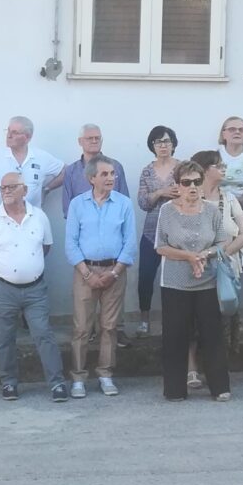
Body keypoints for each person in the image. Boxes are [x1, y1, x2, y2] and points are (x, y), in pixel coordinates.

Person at [0, 172, 68, 402]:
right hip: (2, 289)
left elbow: (46, 248)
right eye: (2, 187)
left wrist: (27, 267)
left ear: (24, 190)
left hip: (35, 289)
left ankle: (57, 383)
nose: (5, 191)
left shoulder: (39, 217)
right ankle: (9, 383)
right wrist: (0, 270)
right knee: (3, 338)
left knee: (44, 334)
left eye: (11, 187)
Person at [156, 161, 231, 402]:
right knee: (175, 336)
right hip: (175, 283)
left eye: (197, 181)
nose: (192, 187)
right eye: (186, 182)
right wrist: (188, 256)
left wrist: (204, 255)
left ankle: (220, 387)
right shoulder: (167, 211)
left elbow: (222, 243)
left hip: (207, 281)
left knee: (212, 335)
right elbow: (161, 246)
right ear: (177, 185)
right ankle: (175, 390)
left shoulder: (212, 210)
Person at [65, 155, 136, 399]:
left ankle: (105, 374)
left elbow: (129, 243)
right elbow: (71, 243)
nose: (110, 178)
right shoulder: (77, 204)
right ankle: (78, 377)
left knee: (109, 326)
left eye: (112, 174)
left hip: (115, 272)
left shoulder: (124, 203)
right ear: (91, 178)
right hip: (85, 272)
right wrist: (87, 273)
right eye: (104, 174)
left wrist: (114, 273)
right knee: (82, 328)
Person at [62, 123, 131, 349]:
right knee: (82, 318)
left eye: (98, 138)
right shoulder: (71, 171)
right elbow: (67, 206)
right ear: (80, 141)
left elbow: (123, 202)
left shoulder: (115, 166)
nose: (94, 141)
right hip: (85, 252)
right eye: (90, 138)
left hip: (113, 254)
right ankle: (88, 334)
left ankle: (115, 333)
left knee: (111, 315)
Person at [188, 150, 243, 377]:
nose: (223, 168)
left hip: (226, 265)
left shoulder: (229, 198)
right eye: (218, 165)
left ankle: (218, 370)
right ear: (204, 170)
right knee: (193, 320)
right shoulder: (190, 198)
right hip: (196, 266)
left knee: (223, 318)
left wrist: (220, 253)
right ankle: (192, 369)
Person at [136, 125, 180, 338]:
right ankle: (144, 320)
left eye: (167, 141)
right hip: (151, 232)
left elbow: (190, 193)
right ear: (152, 145)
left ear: (173, 144)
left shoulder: (182, 168)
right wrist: (162, 191)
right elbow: (143, 202)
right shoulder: (147, 170)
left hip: (178, 231)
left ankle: (173, 320)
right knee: (145, 277)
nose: (163, 145)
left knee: (174, 278)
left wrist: (173, 194)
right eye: (158, 141)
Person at [0, 116, 64, 209]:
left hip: (32, 219)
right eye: (8, 131)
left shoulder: (41, 157)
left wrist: (46, 190)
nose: (9, 135)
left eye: (15, 132)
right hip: (1, 220)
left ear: (28, 137)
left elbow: (66, 172)